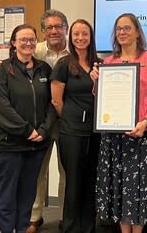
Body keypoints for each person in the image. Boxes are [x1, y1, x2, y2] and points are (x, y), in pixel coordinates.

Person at [0, 9, 69, 233]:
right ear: (13, 43)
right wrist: (27, 130)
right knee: (9, 191)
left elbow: (50, 103)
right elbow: (1, 107)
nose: (28, 43)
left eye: (31, 40)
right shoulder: (3, 70)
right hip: (13, 141)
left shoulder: (46, 66)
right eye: (23, 39)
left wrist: (42, 130)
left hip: (41, 138)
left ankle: (26, 225)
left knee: (27, 190)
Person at [91, 13, 147, 233]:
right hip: (114, 137)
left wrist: (145, 121)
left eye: (127, 28)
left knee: (138, 191)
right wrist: (96, 82)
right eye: (118, 29)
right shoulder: (108, 62)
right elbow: (102, 99)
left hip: (142, 134)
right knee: (121, 189)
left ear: (137, 32)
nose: (122, 32)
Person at [51, 19, 101, 233]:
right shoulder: (64, 64)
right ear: (70, 37)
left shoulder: (100, 63)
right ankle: (71, 227)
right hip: (71, 133)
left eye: (85, 34)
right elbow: (56, 101)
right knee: (73, 182)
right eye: (76, 34)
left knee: (91, 181)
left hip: (96, 131)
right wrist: (71, 119)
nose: (80, 38)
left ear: (91, 37)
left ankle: (88, 226)